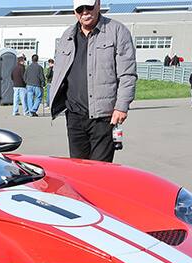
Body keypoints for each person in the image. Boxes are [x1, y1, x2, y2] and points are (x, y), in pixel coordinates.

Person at [49, 0, 137, 163]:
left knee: (100, 170)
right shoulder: (67, 35)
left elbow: (127, 74)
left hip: (104, 117)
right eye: (80, 9)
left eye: (89, 7)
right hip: (74, 116)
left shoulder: (117, 31)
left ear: (98, 4)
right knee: (77, 169)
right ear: (74, 11)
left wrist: (121, 107)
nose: (85, 12)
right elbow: (60, 71)